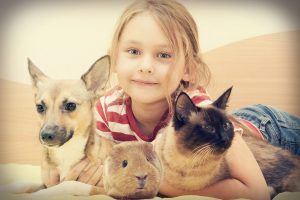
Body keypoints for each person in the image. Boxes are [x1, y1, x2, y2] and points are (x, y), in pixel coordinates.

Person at [46, 0, 300, 199]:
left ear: (187, 69)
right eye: (133, 51)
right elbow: (81, 166)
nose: (146, 66)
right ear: (114, 59)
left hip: (270, 129)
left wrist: (157, 186)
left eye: (164, 55)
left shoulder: (196, 112)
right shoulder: (106, 110)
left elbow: (254, 191)